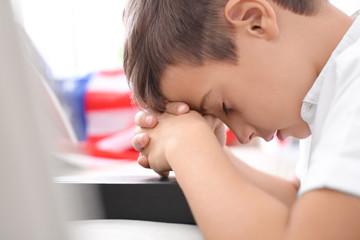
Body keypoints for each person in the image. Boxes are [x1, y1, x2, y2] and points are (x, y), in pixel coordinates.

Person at [123, 0, 360, 239]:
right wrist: (211, 151)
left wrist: (186, 145)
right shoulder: (331, 91)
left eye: (226, 107)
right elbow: (300, 200)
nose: (242, 137)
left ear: (255, 21)